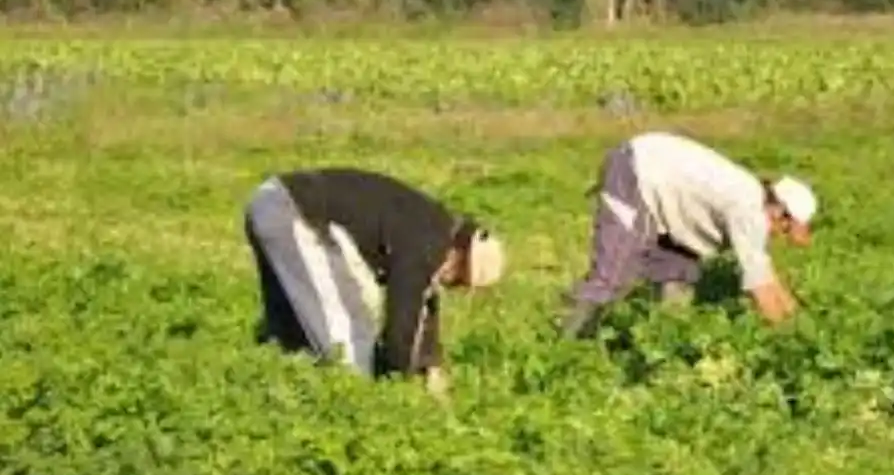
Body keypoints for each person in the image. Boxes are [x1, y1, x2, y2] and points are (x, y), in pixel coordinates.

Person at [243, 167, 506, 396]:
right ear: (459, 256)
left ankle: (270, 392)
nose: (450, 285)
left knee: (292, 332)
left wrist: (430, 364)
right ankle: (352, 405)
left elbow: (423, 299)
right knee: (350, 331)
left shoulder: (431, 228)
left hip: (271, 201)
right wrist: (396, 377)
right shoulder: (428, 241)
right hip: (295, 212)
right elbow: (404, 312)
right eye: (459, 280)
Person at [561, 130, 818, 339]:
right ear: (778, 211)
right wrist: (788, 339)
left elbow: (766, 275)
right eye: (785, 229)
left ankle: (663, 342)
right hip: (636, 172)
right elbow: (759, 288)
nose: (780, 236)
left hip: (664, 192)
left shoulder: (750, 199)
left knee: (679, 274)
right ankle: (567, 342)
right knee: (613, 275)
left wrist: (796, 318)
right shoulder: (748, 210)